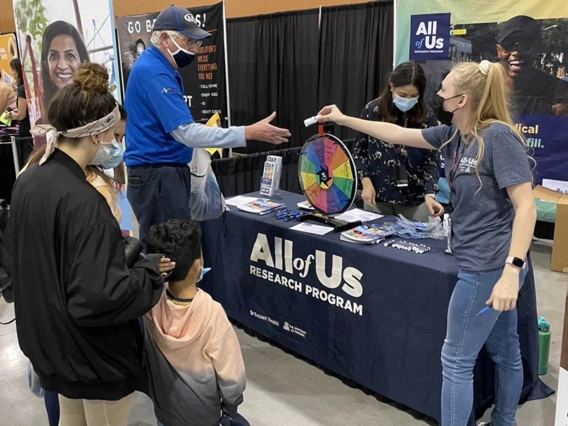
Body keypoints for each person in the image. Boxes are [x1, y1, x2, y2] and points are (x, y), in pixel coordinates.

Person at [317, 59, 536, 426]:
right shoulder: (455, 134)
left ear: (462, 99)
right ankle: (505, 421)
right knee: (505, 352)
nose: (437, 96)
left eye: (444, 90)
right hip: (479, 262)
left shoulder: (498, 137)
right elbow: (395, 134)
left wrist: (511, 272)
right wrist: (344, 118)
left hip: (489, 268)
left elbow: (526, 207)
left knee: (455, 360)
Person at [9, 63, 175, 426]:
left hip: (50, 345)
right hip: (91, 356)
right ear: (98, 135)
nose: (117, 146)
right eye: (116, 136)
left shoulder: (29, 180)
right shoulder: (85, 202)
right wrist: (148, 273)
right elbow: (101, 297)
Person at [124, 5, 291, 247]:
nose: (193, 49)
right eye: (188, 41)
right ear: (164, 38)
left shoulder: (160, 68)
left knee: (174, 250)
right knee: (168, 254)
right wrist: (247, 133)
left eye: (196, 44)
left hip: (163, 174)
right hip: (158, 176)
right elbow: (186, 132)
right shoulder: (154, 71)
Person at [145, 219, 247, 426]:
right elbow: (233, 377)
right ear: (197, 265)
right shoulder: (212, 313)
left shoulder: (149, 304)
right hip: (204, 416)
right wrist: (231, 408)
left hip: (165, 411)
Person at [355, 62, 443, 220]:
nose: (408, 100)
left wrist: (430, 192)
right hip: (376, 196)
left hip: (416, 201)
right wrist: (366, 182)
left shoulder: (427, 116)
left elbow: (432, 159)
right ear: (391, 87)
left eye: (414, 96)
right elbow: (359, 151)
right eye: (402, 95)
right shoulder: (372, 111)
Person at [496, 15, 568, 116]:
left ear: (537, 49)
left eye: (525, 45)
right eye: (509, 45)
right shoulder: (482, 87)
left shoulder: (555, 90)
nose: (516, 52)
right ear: (498, 50)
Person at [39, 21, 89, 123]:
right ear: (46, 66)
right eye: (54, 56)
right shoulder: (42, 126)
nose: (62, 65)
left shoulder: (99, 114)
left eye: (70, 55)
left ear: (83, 63)